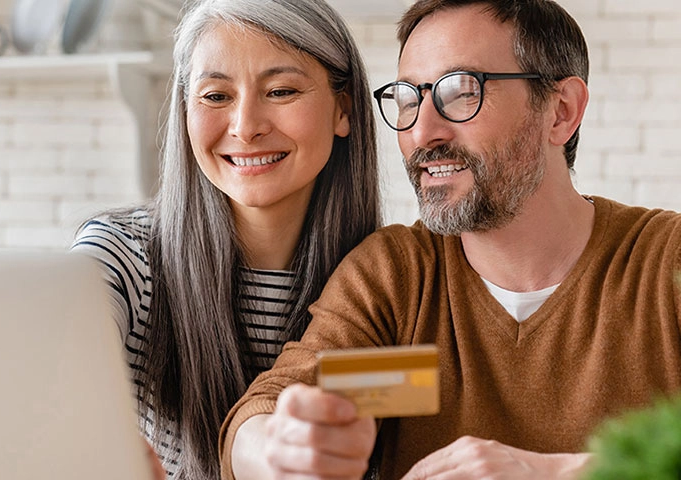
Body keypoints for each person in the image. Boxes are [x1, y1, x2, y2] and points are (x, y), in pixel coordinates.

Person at [220, 0, 681, 479]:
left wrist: (557, 472)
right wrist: (279, 447)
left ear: (561, 112)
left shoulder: (668, 261)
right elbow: (266, 410)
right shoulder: (397, 277)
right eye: (408, 98)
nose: (422, 132)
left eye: (460, 93)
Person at [71, 0, 381, 477]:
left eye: (280, 90)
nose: (245, 126)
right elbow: (51, 373)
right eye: (215, 96)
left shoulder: (385, 283)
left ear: (344, 109)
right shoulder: (124, 257)